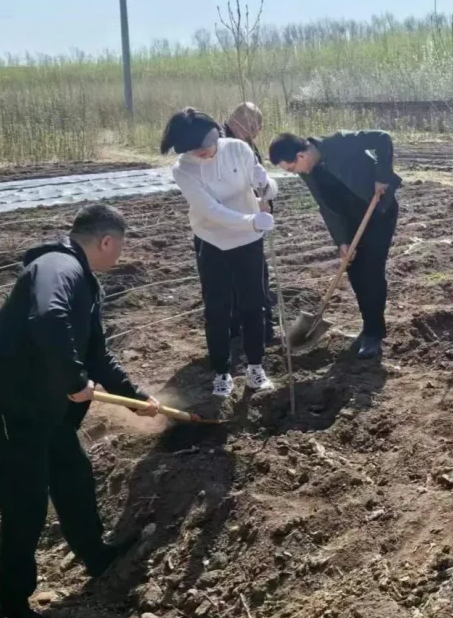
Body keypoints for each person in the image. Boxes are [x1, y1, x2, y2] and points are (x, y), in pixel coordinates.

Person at [0, 204, 161, 618]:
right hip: (8, 403)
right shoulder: (58, 267)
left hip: (43, 405)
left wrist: (136, 397)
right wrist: (76, 381)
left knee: (72, 471)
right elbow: (48, 318)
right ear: (106, 241)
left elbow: (98, 353)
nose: (119, 255)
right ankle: (12, 607)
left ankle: (95, 554)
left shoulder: (84, 281)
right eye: (120, 247)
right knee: (25, 503)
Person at [161, 108, 277, 397]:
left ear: (216, 135)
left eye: (204, 147)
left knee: (254, 303)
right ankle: (222, 372)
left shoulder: (239, 149)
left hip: (249, 241)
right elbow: (210, 211)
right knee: (217, 309)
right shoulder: (183, 169)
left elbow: (264, 189)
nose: (201, 154)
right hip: (213, 241)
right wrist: (251, 221)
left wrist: (266, 184)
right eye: (192, 151)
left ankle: (255, 367)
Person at [268, 130, 401, 359]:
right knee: (355, 271)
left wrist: (382, 176)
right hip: (350, 221)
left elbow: (382, 139)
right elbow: (326, 207)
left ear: (301, 156)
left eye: (291, 169)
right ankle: (368, 321)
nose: (294, 173)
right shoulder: (309, 172)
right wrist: (342, 240)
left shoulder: (337, 143)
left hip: (377, 211)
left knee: (371, 270)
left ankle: (373, 333)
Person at [222, 102, 276, 345]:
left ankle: (263, 328)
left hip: (251, 225)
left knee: (257, 277)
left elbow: (260, 181)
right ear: (239, 120)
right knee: (230, 281)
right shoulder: (221, 144)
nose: (257, 131)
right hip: (228, 226)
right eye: (255, 125)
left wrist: (264, 200)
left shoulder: (249, 146)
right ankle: (234, 331)